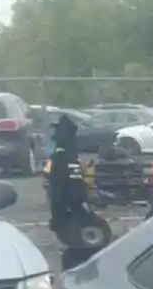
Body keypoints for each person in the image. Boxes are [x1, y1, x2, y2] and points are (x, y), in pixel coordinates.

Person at [47, 114, 110, 269]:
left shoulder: (61, 156)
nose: (53, 135)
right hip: (78, 207)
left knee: (77, 252)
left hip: (70, 211)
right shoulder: (70, 154)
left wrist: (57, 215)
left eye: (57, 130)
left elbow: (60, 189)